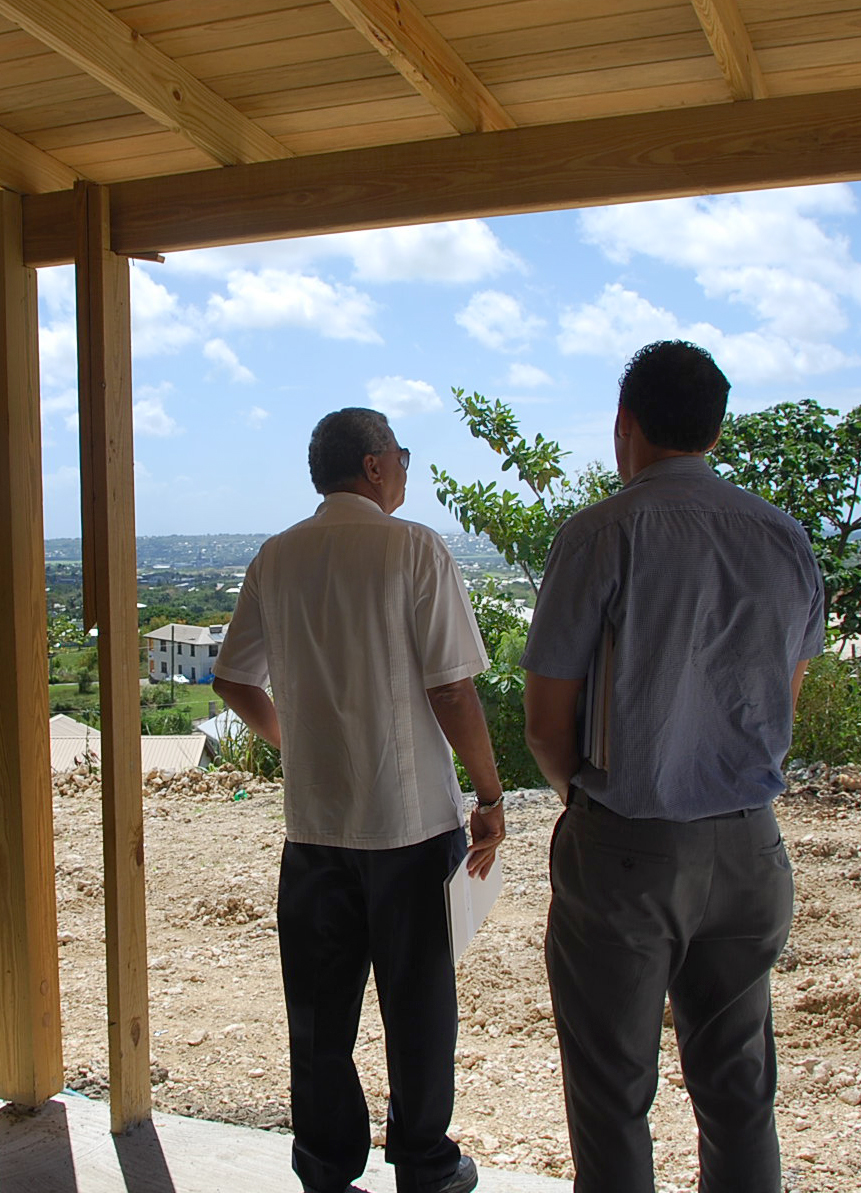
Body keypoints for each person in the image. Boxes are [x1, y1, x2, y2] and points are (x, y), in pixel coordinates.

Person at [520, 341, 825, 1193]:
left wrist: (579, 798)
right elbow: (784, 702)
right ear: (715, 429)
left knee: (613, 1096)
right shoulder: (782, 536)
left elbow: (546, 723)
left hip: (626, 849)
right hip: (750, 851)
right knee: (737, 1092)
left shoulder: (600, 533)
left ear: (625, 425)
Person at [214, 406, 507, 1193]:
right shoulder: (412, 547)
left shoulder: (276, 557)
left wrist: (296, 746)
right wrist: (488, 792)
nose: (405, 468)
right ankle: (423, 1163)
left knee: (318, 1017)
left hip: (313, 829)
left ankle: (325, 1165)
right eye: (401, 455)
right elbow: (450, 686)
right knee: (417, 1009)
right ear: (375, 466)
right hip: (409, 828)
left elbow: (233, 679)